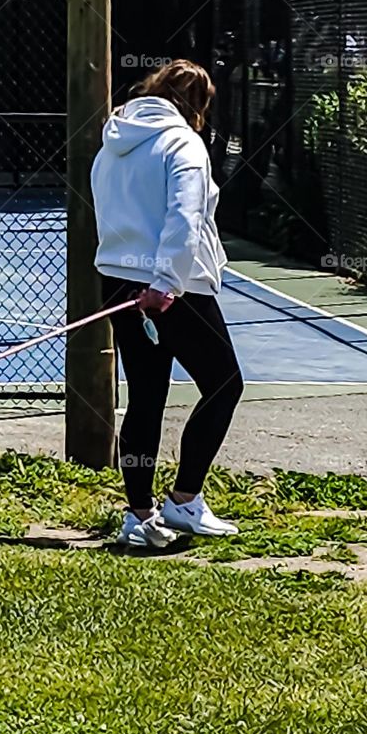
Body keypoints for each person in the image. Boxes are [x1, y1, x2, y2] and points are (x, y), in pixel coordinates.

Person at [91, 60, 244, 549]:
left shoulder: (114, 141)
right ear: (196, 104)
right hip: (175, 287)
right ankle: (184, 499)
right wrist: (165, 282)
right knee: (225, 384)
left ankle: (139, 515)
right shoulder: (184, 144)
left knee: (146, 394)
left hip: (118, 278)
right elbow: (185, 215)